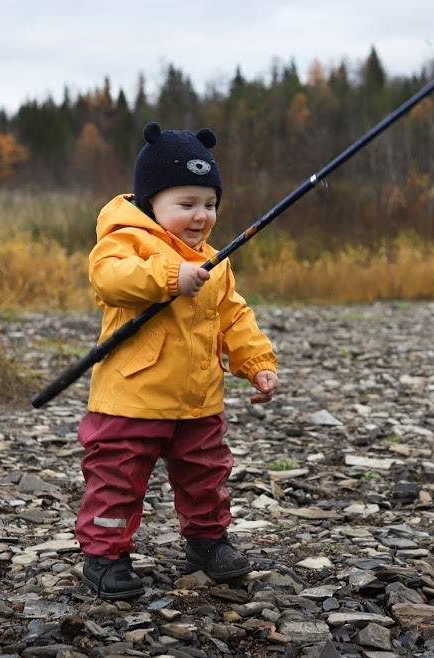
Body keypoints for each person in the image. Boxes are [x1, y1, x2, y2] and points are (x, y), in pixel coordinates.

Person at [75, 122, 279, 600]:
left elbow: (234, 317)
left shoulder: (216, 260)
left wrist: (256, 362)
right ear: (152, 204)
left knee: (207, 474)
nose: (200, 216)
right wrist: (172, 274)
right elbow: (110, 279)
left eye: (209, 204)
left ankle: (207, 541)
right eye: (185, 204)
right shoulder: (124, 242)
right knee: (117, 478)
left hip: (199, 398)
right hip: (131, 397)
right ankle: (104, 554)